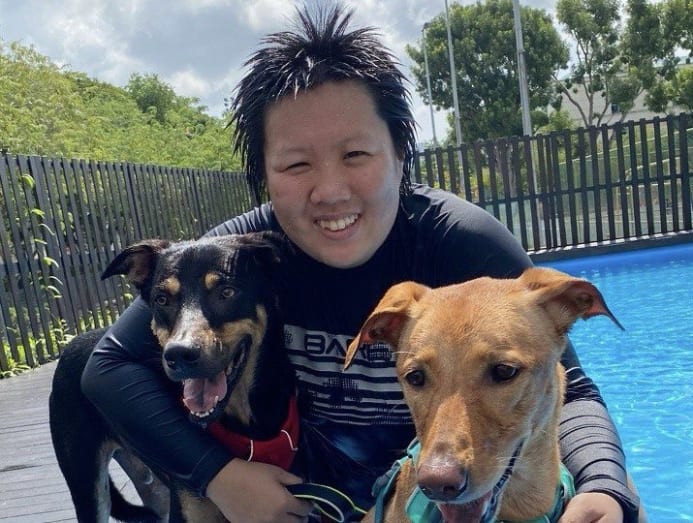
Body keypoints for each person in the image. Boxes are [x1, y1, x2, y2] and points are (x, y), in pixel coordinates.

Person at [81, 3, 641, 522]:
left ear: (399, 153)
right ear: (263, 175)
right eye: (296, 164)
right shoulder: (243, 258)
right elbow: (107, 368)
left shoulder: (461, 245)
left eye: (355, 154)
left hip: (427, 491)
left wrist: (603, 484)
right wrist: (219, 476)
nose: (330, 191)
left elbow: (569, 386)